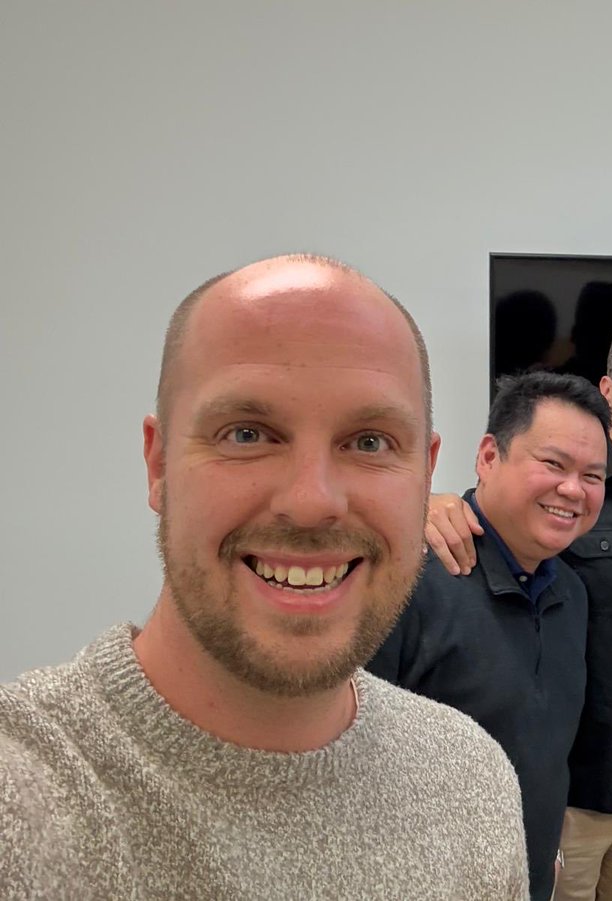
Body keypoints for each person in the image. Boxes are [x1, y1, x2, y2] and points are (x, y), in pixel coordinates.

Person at [0, 255, 529, 900]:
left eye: (369, 442)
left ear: (426, 473)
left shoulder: (472, 783)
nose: (311, 502)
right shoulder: (24, 793)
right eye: (247, 434)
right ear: (158, 465)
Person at [426, 313, 612, 901]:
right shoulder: (561, 503)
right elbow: (497, 513)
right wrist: (424, 504)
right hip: (569, 801)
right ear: (608, 388)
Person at [368, 371, 611, 901]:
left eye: (593, 475)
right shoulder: (405, 582)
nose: (573, 489)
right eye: (553, 464)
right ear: (487, 457)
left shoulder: (572, 594)